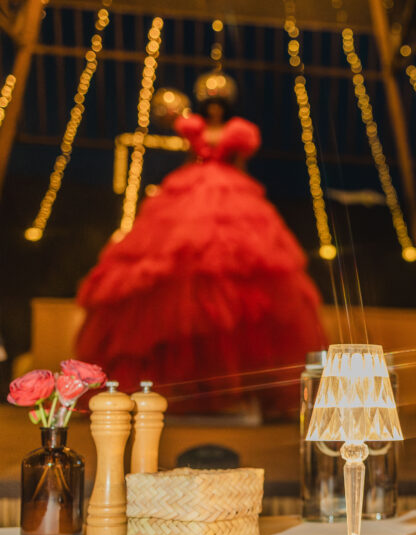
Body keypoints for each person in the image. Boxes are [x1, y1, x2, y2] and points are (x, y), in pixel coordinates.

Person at [75, 71, 325, 416]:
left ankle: (236, 392)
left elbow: (241, 165)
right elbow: (191, 157)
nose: (215, 110)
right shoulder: (193, 129)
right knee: (182, 268)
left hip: (230, 191)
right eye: (212, 104)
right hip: (193, 191)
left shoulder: (238, 133)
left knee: (234, 278)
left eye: (220, 105)